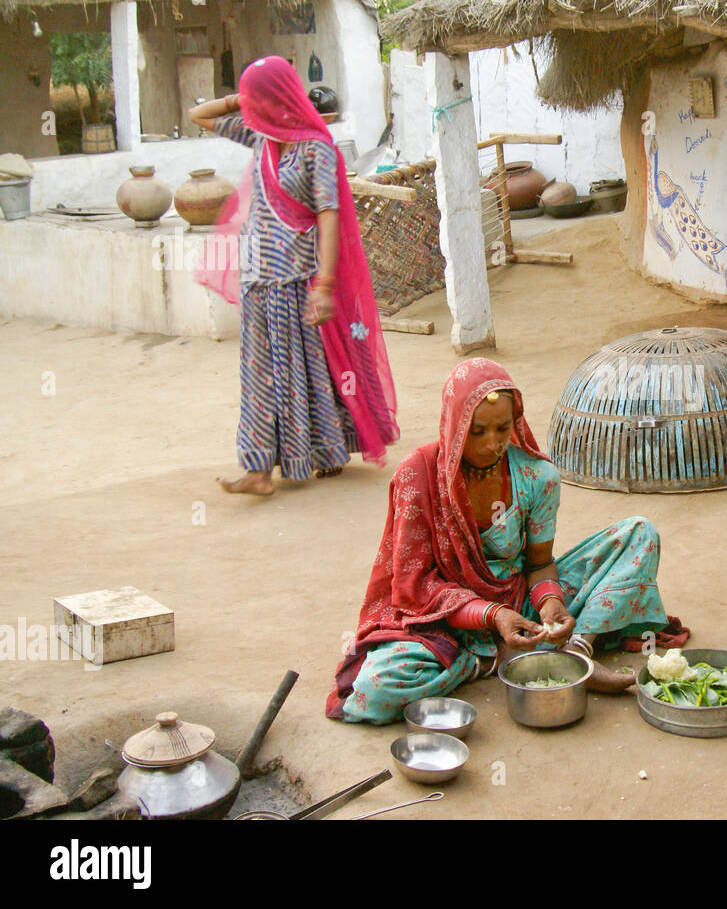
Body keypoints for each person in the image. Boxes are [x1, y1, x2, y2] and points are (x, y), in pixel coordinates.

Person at [327, 358, 686, 724]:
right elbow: (413, 585)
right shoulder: (416, 476)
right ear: (454, 422)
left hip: (521, 608)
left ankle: (577, 650)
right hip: (443, 621)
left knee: (639, 534)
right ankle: (494, 659)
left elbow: (539, 564)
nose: (492, 443)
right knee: (375, 688)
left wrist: (550, 603)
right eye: (477, 430)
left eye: (502, 428)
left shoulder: (536, 475)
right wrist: (491, 615)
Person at [189, 56, 398, 496]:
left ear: (278, 98)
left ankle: (322, 450)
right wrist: (236, 98)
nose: (250, 106)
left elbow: (328, 213)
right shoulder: (262, 138)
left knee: (311, 372)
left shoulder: (315, 148)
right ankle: (259, 468)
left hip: (298, 281)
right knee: (261, 376)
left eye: (257, 97)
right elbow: (198, 116)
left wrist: (324, 284)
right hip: (258, 281)